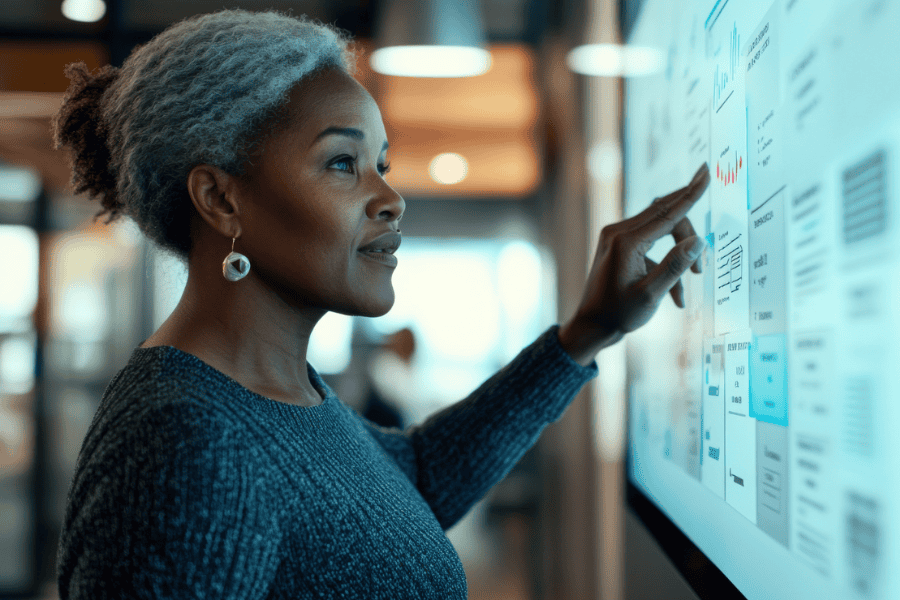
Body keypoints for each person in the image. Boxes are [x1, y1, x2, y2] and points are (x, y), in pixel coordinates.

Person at [50, 9, 710, 599]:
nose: (390, 198)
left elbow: (409, 485)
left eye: (382, 165)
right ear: (222, 201)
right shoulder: (189, 445)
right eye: (343, 163)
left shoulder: (278, 389)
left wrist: (583, 336)